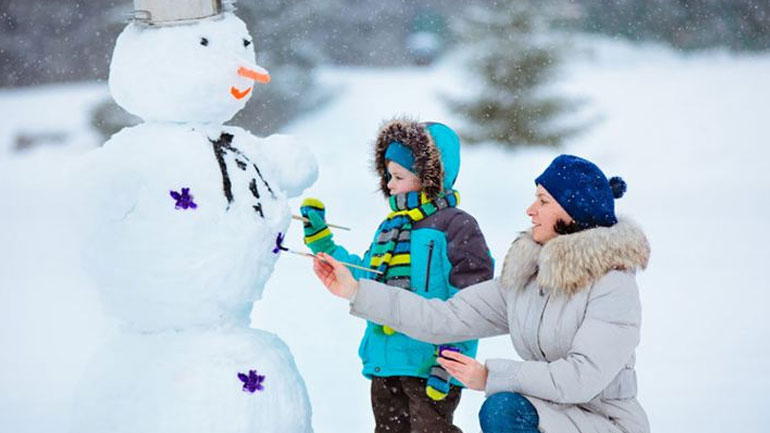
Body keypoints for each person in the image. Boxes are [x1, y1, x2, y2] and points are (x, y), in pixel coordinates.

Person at [312, 154, 651, 433]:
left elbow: (581, 378)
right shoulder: (529, 279)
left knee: (503, 408)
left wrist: (490, 376)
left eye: (543, 201)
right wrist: (357, 291)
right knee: (503, 408)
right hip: (551, 415)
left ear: (572, 214)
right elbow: (445, 317)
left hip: (604, 422)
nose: (530, 210)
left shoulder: (613, 287)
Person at [300, 118, 494, 432]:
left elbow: (475, 300)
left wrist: (454, 355)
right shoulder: (390, 228)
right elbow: (366, 277)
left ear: (430, 178)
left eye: (398, 176)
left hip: (430, 364)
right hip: (386, 361)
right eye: (388, 176)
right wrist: (323, 242)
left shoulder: (456, 226)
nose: (389, 185)